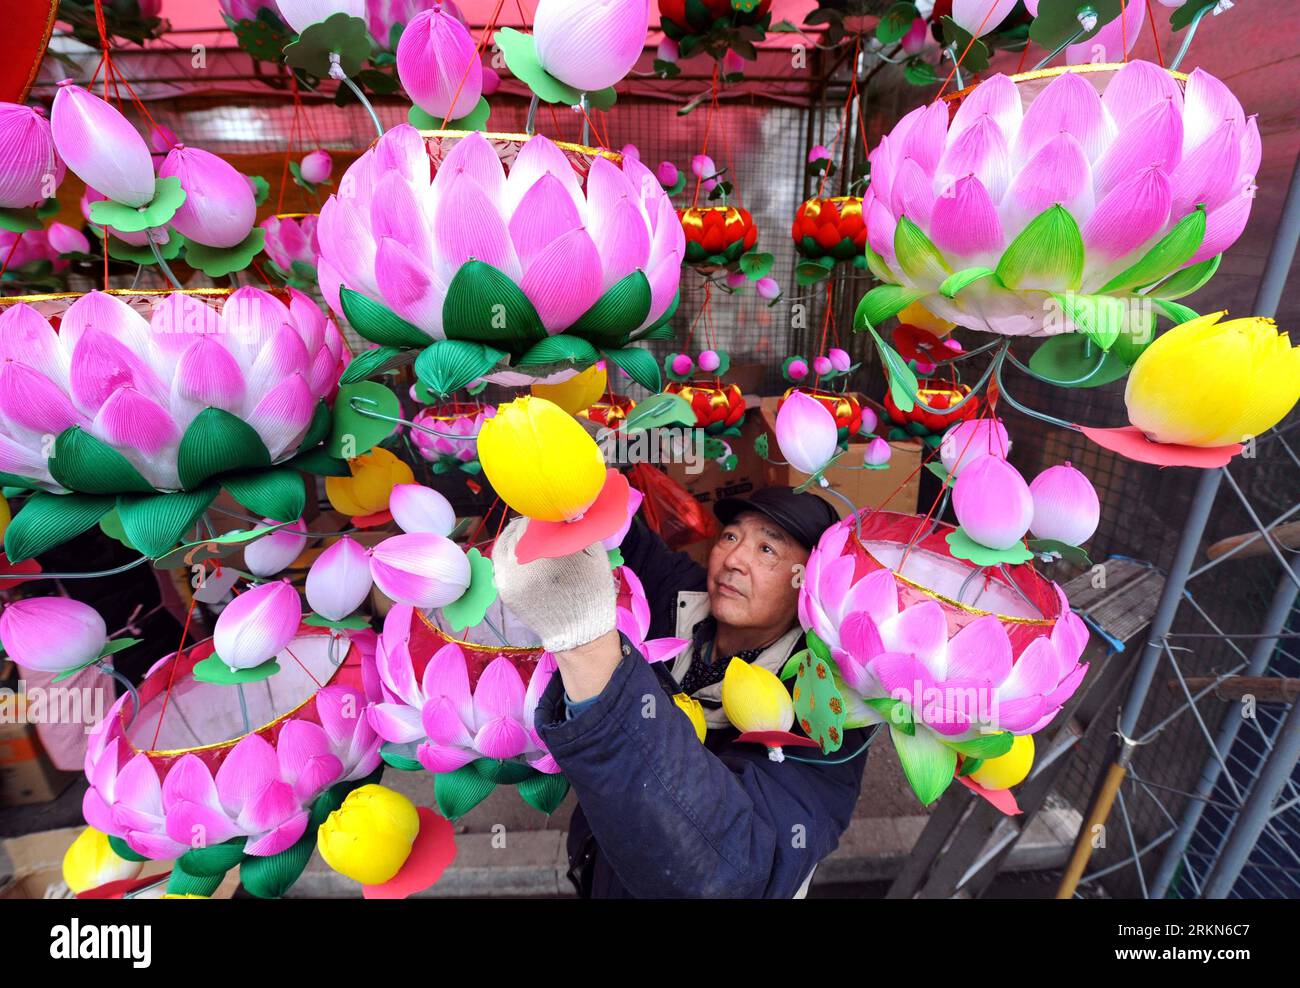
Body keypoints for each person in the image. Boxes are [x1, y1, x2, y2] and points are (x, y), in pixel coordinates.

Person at [492, 486, 879, 898]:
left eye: (767, 549)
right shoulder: (679, 594)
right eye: (730, 536)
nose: (734, 560)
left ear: (811, 583)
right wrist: (565, 479)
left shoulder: (825, 708)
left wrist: (585, 644)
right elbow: (623, 537)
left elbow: (726, 872)